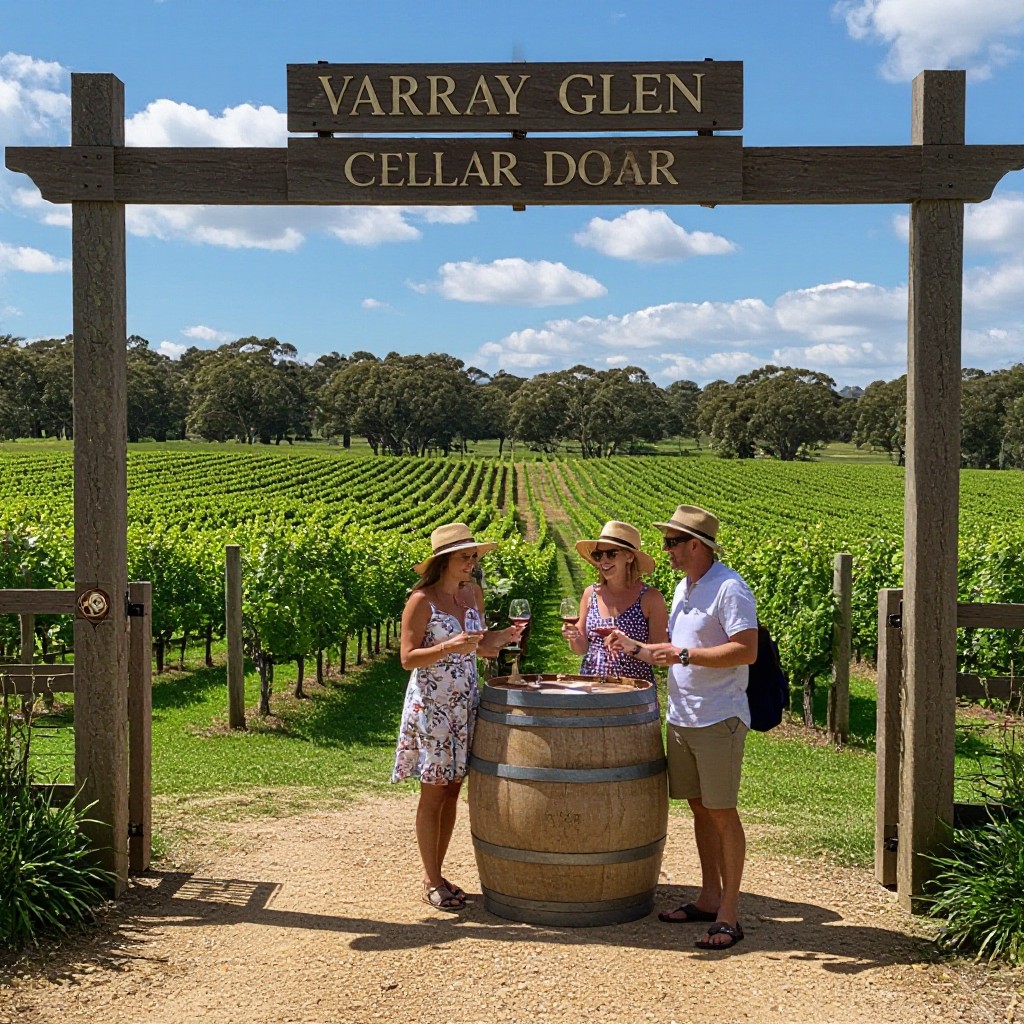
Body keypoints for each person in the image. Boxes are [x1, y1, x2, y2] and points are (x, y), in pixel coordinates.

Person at [608, 505, 757, 950]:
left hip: (718, 718)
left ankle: (729, 913)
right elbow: (677, 648)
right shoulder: (684, 587)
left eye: (673, 542)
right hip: (684, 716)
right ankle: (709, 897)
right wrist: (638, 647)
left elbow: (745, 650)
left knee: (722, 813)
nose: (666, 549)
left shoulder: (729, 588)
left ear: (697, 545)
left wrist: (684, 657)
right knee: (699, 808)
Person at [391, 522, 524, 911]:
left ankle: (439, 870)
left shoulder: (472, 595)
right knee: (433, 792)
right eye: (466, 556)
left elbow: (477, 648)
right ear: (444, 560)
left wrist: (499, 640)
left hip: (464, 703)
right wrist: (448, 646)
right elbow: (407, 658)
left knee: (452, 789)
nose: (473, 562)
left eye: (475, 556)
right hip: (433, 707)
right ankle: (431, 878)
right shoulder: (422, 601)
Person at [563, 520, 668, 681]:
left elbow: (661, 656)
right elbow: (581, 648)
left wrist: (630, 646)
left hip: (632, 694)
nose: (603, 561)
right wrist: (573, 636)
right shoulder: (590, 594)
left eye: (611, 554)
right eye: (598, 555)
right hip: (592, 690)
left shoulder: (650, 598)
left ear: (629, 557)